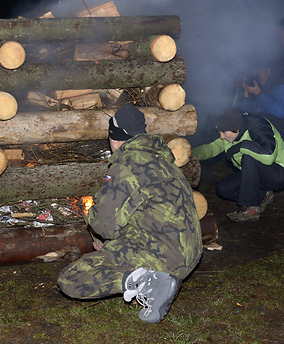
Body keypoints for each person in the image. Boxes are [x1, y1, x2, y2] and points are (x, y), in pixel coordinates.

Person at [57, 105, 202, 324]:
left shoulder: (128, 165)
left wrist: (94, 222)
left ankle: (147, 283)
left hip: (165, 257)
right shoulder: (164, 162)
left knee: (71, 279)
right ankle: (155, 281)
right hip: (189, 253)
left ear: (114, 138)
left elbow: (103, 224)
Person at [193, 109, 284, 222]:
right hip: (257, 175)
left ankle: (251, 208)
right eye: (220, 132)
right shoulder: (231, 128)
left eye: (224, 133)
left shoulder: (258, 126)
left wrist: (241, 146)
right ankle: (264, 195)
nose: (222, 137)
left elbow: (269, 156)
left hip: (281, 173)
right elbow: (212, 148)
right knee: (223, 189)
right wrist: (189, 154)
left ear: (237, 130)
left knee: (249, 156)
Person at [236, 67, 284, 154]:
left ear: (268, 71)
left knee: (260, 120)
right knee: (250, 118)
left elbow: (279, 111)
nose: (259, 76)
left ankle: (270, 154)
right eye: (256, 74)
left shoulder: (281, 84)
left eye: (261, 72)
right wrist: (246, 92)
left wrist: (259, 93)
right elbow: (251, 112)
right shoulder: (262, 89)